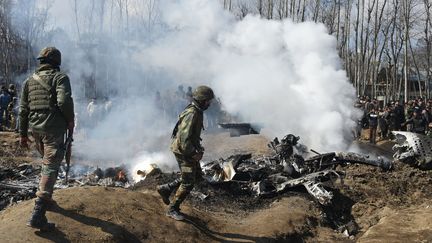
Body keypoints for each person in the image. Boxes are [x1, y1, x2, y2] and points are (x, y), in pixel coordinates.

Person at [19, 47, 74, 231]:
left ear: (41, 61)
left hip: (36, 130)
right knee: (50, 166)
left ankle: (47, 198)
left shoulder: (29, 81)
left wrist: (22, 134)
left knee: (47, 164)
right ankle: (38, 212)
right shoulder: (60, 78)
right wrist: (71, 120)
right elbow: (64, 101)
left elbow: (23, 110)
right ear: (56, 62)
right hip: (53, 129)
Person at [157, 85, 214, 221]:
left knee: (197, 176)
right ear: (201, 100)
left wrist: (197, 149)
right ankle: (172, 209)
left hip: (188, 149)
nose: (209, 104)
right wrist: (194, 153)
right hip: (184, 151)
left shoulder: (197, 110)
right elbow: (183, 140)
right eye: (208, 101)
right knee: (188, 182)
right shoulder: (192, 113)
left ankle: (166, 188)